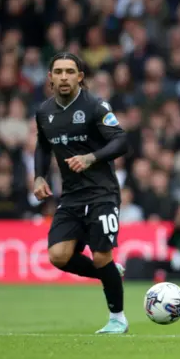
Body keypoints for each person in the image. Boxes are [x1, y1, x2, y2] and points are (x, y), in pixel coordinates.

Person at [34, 52, 130, 334]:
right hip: (72, 196)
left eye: (70, 71)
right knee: (58, 256)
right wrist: (39, 175)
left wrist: (92, 158)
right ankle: (110, 274)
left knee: (101, 256)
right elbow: (43, 145)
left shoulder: (95, 106)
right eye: (58, 71)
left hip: (102, 192)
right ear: (50, 77)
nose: (64, 77)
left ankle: (117, 320)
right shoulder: (44, 112)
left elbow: (122, 140)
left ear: (80, 76)